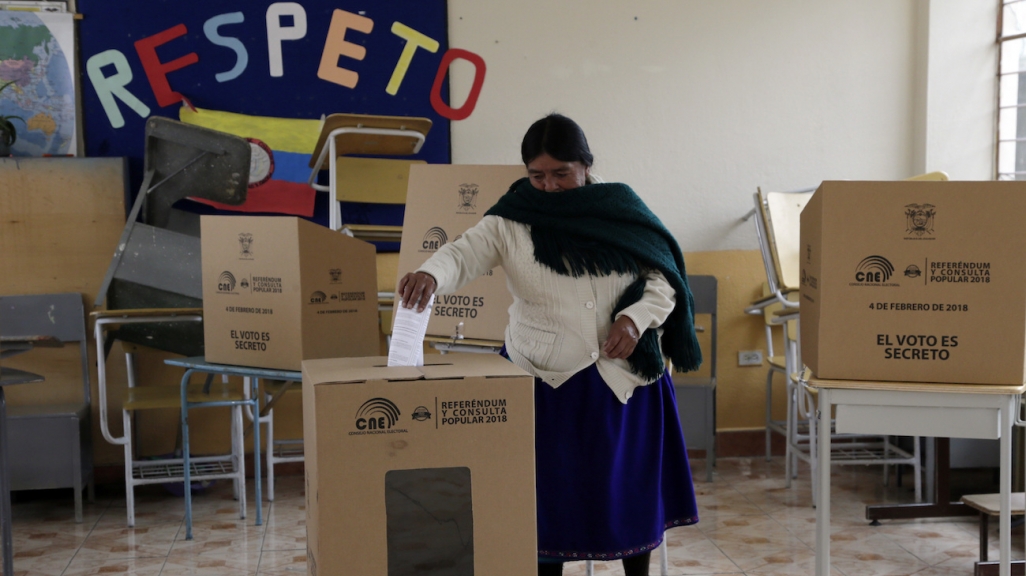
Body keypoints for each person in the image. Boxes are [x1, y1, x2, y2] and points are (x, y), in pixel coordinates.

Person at [398, 113, 701, 576]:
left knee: (625, 496)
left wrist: (635, 321)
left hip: (621, 381)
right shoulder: (511, 219)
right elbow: (463, 252)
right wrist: (430, 273)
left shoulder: (620, 208)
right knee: (546, 506)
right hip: (543, 381)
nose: (549, 187)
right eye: (536, 176)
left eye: (561, 174)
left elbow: (663, 278)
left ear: (585, 165)